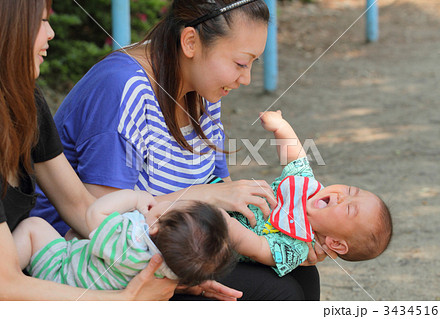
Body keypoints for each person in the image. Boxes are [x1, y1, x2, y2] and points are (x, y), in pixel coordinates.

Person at [31, 0, 328, 300]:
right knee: (278, 293)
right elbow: (102, 221)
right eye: (240, 63)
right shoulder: (124, 88)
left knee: (301, 273)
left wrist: (283, 239)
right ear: (190, 42)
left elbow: (219, 189)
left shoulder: (203, 87)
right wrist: (200, 197)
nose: (246, 78)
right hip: (89, 262)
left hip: (166, 243)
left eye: (253, 64)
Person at [1, 0, 232, 301]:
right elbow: (6, 285)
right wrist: (126, 299)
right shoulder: (123, 85)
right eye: (42, 22)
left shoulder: (25, 99)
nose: (52, 33)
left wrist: (164, 267)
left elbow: (81, 207)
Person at [223, 111, 393, 276]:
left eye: (349, 209)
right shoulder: (308, 188)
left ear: (335, 243)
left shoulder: (297, 248)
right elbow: (296, 158)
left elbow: (257, 248)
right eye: (350, 190)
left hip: (215, 238)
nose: (342, 196)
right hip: (222, 198)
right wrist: (281, 127)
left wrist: (225, 223)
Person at [13, 190, 236, 289]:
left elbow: (94, 214)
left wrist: (134, 197)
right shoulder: (169, 270)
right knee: (75, 236)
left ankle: (11, 274)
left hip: (61, 275)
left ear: (156, 224)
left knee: (34, 226)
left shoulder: (129, 236)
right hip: (93, 287)